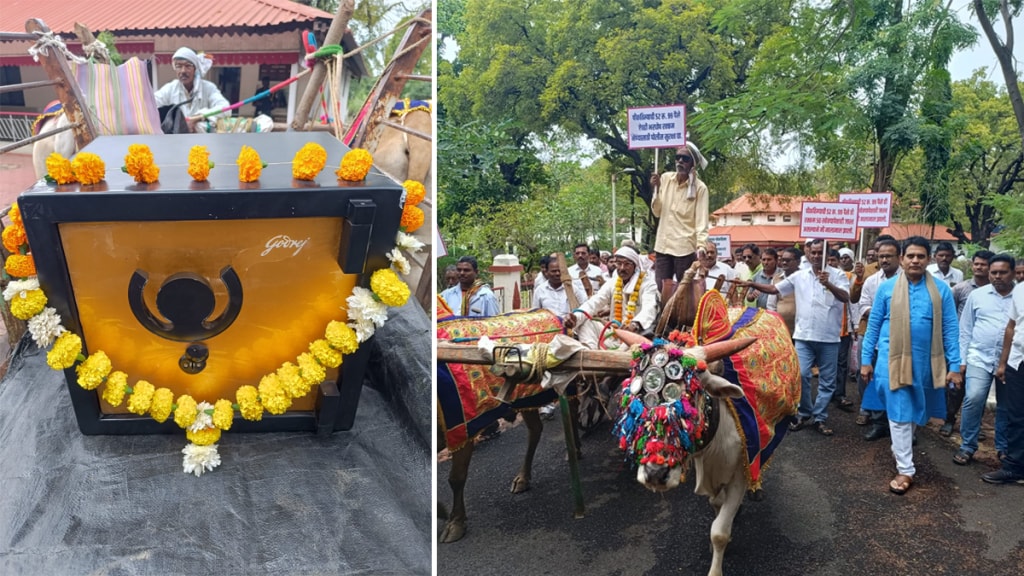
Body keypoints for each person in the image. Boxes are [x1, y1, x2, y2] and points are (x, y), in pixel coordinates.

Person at [860, 236, 961, 495]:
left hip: (926, 362)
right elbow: (873, 325)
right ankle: (906, 469)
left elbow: (950, 328)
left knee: (917, 409)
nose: (915, 260)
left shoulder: (941, 290)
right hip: (889, 361)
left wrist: (955, 364)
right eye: (911, 256)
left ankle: (900, 445)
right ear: (902, 259)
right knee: (900, 410)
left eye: (921, 256)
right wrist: (865, 361)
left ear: (928, 260)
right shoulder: (887, 288)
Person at [744, 239, 850, 436]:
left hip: (829, 337)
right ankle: (805, 412)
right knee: (801, 374)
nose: (817, 256)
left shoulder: (838, 275)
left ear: (827, 254)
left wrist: (829, 284)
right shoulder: (800, 276)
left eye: (821, 253)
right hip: (803, 335)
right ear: (808, 254)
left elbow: (846, 297)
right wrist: (752, 283)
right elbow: (775, 289)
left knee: (827, 381)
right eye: (814, 252)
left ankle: (820, 417)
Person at [954, 254, 1015, 467]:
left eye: (1002, 272)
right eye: (994, 272)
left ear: (1013, 273)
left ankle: (1003, 448)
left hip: (1011, 361)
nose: (997, 276)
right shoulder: (977, 296)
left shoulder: (1020, 296)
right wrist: (961, 360)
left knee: (1006, 406)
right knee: (974, 397)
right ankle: (968, 446)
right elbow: (965, 329)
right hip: (979, 357)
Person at [942, 249, 995, 437]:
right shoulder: (961, 288)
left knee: (978, 391)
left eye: (983, 264)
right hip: (960, 344)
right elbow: (949, 313)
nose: (979, 267)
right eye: (976, 264)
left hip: (984, 348)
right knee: (955, 387)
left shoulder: (997, 289)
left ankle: (974, 424)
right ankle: (949, 420)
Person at [852, 237, 902, 437]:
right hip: (872, 333)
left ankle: (902, 423)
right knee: (867, 375)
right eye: (881, 256)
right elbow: (862, 304)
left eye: (889, 256)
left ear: (899, 257)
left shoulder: (909, 280)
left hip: (900, 338)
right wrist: (883, 314)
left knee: (898, 378)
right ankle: (877, 419)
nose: (884, 260)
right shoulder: (872, 280)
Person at [563, 246, 659, 350]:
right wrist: (576, 317)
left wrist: (634, 324)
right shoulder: (613, 282)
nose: (622, 268)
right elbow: (594, 302)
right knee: (585, 324)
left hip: (636, 335)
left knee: (633, 345)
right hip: (613, 334)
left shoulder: (648, 284)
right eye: (619, 263)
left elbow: (649, 309)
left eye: (627, 264)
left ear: (635, 265)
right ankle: (592, 355)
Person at [649, 142, 710, 290]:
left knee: (685, 292)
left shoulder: (700, 188)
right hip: (663, 246)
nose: (680, 161)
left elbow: (702, 221)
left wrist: (701, 246)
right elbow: (657, 212)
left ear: (692, 164)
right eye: (678, 157)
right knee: (661, 289)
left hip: (685, 248)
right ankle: (663, 313)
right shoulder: (665, 179)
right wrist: (655, 190)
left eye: (685, 158)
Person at [989, 272, 1024, 484]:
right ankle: (1014, 467)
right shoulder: (1020, 290)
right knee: (1016, 416)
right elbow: (1011, 327)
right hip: (1018, 362)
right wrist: (1003, 363)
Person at [154, 47, 230, 133]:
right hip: (177, 141)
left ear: (195, 69)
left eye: (188, 66)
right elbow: (151, 106)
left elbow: (226, 109)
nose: (183, 71)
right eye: (178, 66)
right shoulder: (170, 89)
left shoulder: (208, 88)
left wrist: (198, 117)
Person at [833, 247, 863, 411]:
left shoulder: (850, 278)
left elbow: (852, 302)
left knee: (841, 363)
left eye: (846, 258)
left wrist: (855, 325)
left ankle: (840, 394)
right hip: (826, 328)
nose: (843, 261)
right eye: (840, 258)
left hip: (843, 327)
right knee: (828, 364)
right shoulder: (826, 277)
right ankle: (829, 392)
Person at [767, 247, 802, 335]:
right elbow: (771, 305)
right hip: (782, 328)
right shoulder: (777, 278)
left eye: (788, 260)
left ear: (798, 262)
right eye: (782, 260)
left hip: (801, 328)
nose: (784, 263)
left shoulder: (805, 278)